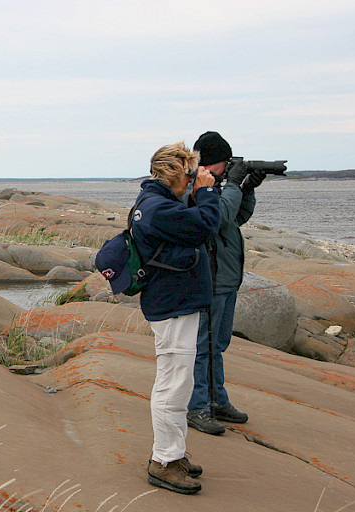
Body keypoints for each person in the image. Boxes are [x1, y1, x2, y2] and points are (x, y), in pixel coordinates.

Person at [131, 142, 220, 494]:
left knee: (178, 384)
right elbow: (206, 226)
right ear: (172, 172)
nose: (193, 179)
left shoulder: (158, 204)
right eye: (189, 173)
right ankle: (163, 461)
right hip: (172, 307)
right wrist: (207, 192)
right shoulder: (158, 209)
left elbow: (193, 225)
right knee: (173, 384)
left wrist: (198, 191)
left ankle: (175, 452)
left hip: (174, 304)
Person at [185, 131, 266, 435]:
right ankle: (197, 407)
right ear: (209, 163)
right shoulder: (195, 189)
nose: (227, 168)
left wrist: (247, 188)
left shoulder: (215, 188)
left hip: (226, 280)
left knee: (217, 345)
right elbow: (221, 216)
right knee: (203, 347)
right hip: (210, 281)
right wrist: (233, 184)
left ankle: (216, 400)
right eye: (224, 163)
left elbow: (237, 216)